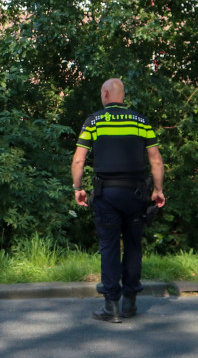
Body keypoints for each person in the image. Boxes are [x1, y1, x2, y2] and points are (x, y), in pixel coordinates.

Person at [71, 78, 166, 323]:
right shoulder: (140, 120)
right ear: (122, 96)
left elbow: (79, 160)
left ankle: (111, 306)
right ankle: (130, 304)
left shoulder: (94, 121)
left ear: (105, 94)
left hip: (107, 195)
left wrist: (78, 188)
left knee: (110, 248)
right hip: (136, 195)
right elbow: (155, 160)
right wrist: (158, 190)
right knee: (134, 246)